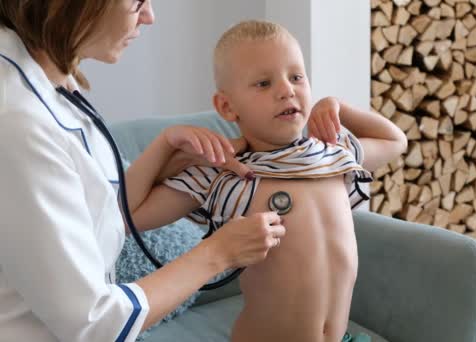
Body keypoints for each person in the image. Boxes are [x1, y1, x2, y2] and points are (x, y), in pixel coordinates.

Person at [0, 2, 286, 341]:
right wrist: (218, 253)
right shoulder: (18, 122)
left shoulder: (48, 84)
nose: (149, 17)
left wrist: (163, 152)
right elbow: (94, 322)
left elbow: (93, 219)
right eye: (137, 1)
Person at [132, 20, 408, 342]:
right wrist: (164, 143)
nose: (286, 90)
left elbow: (395, 141)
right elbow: (128, 215)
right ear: (226, 106)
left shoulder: (332, 153)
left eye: (296, 77)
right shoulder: (226, 173)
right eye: (264, 83)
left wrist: (337, 107)